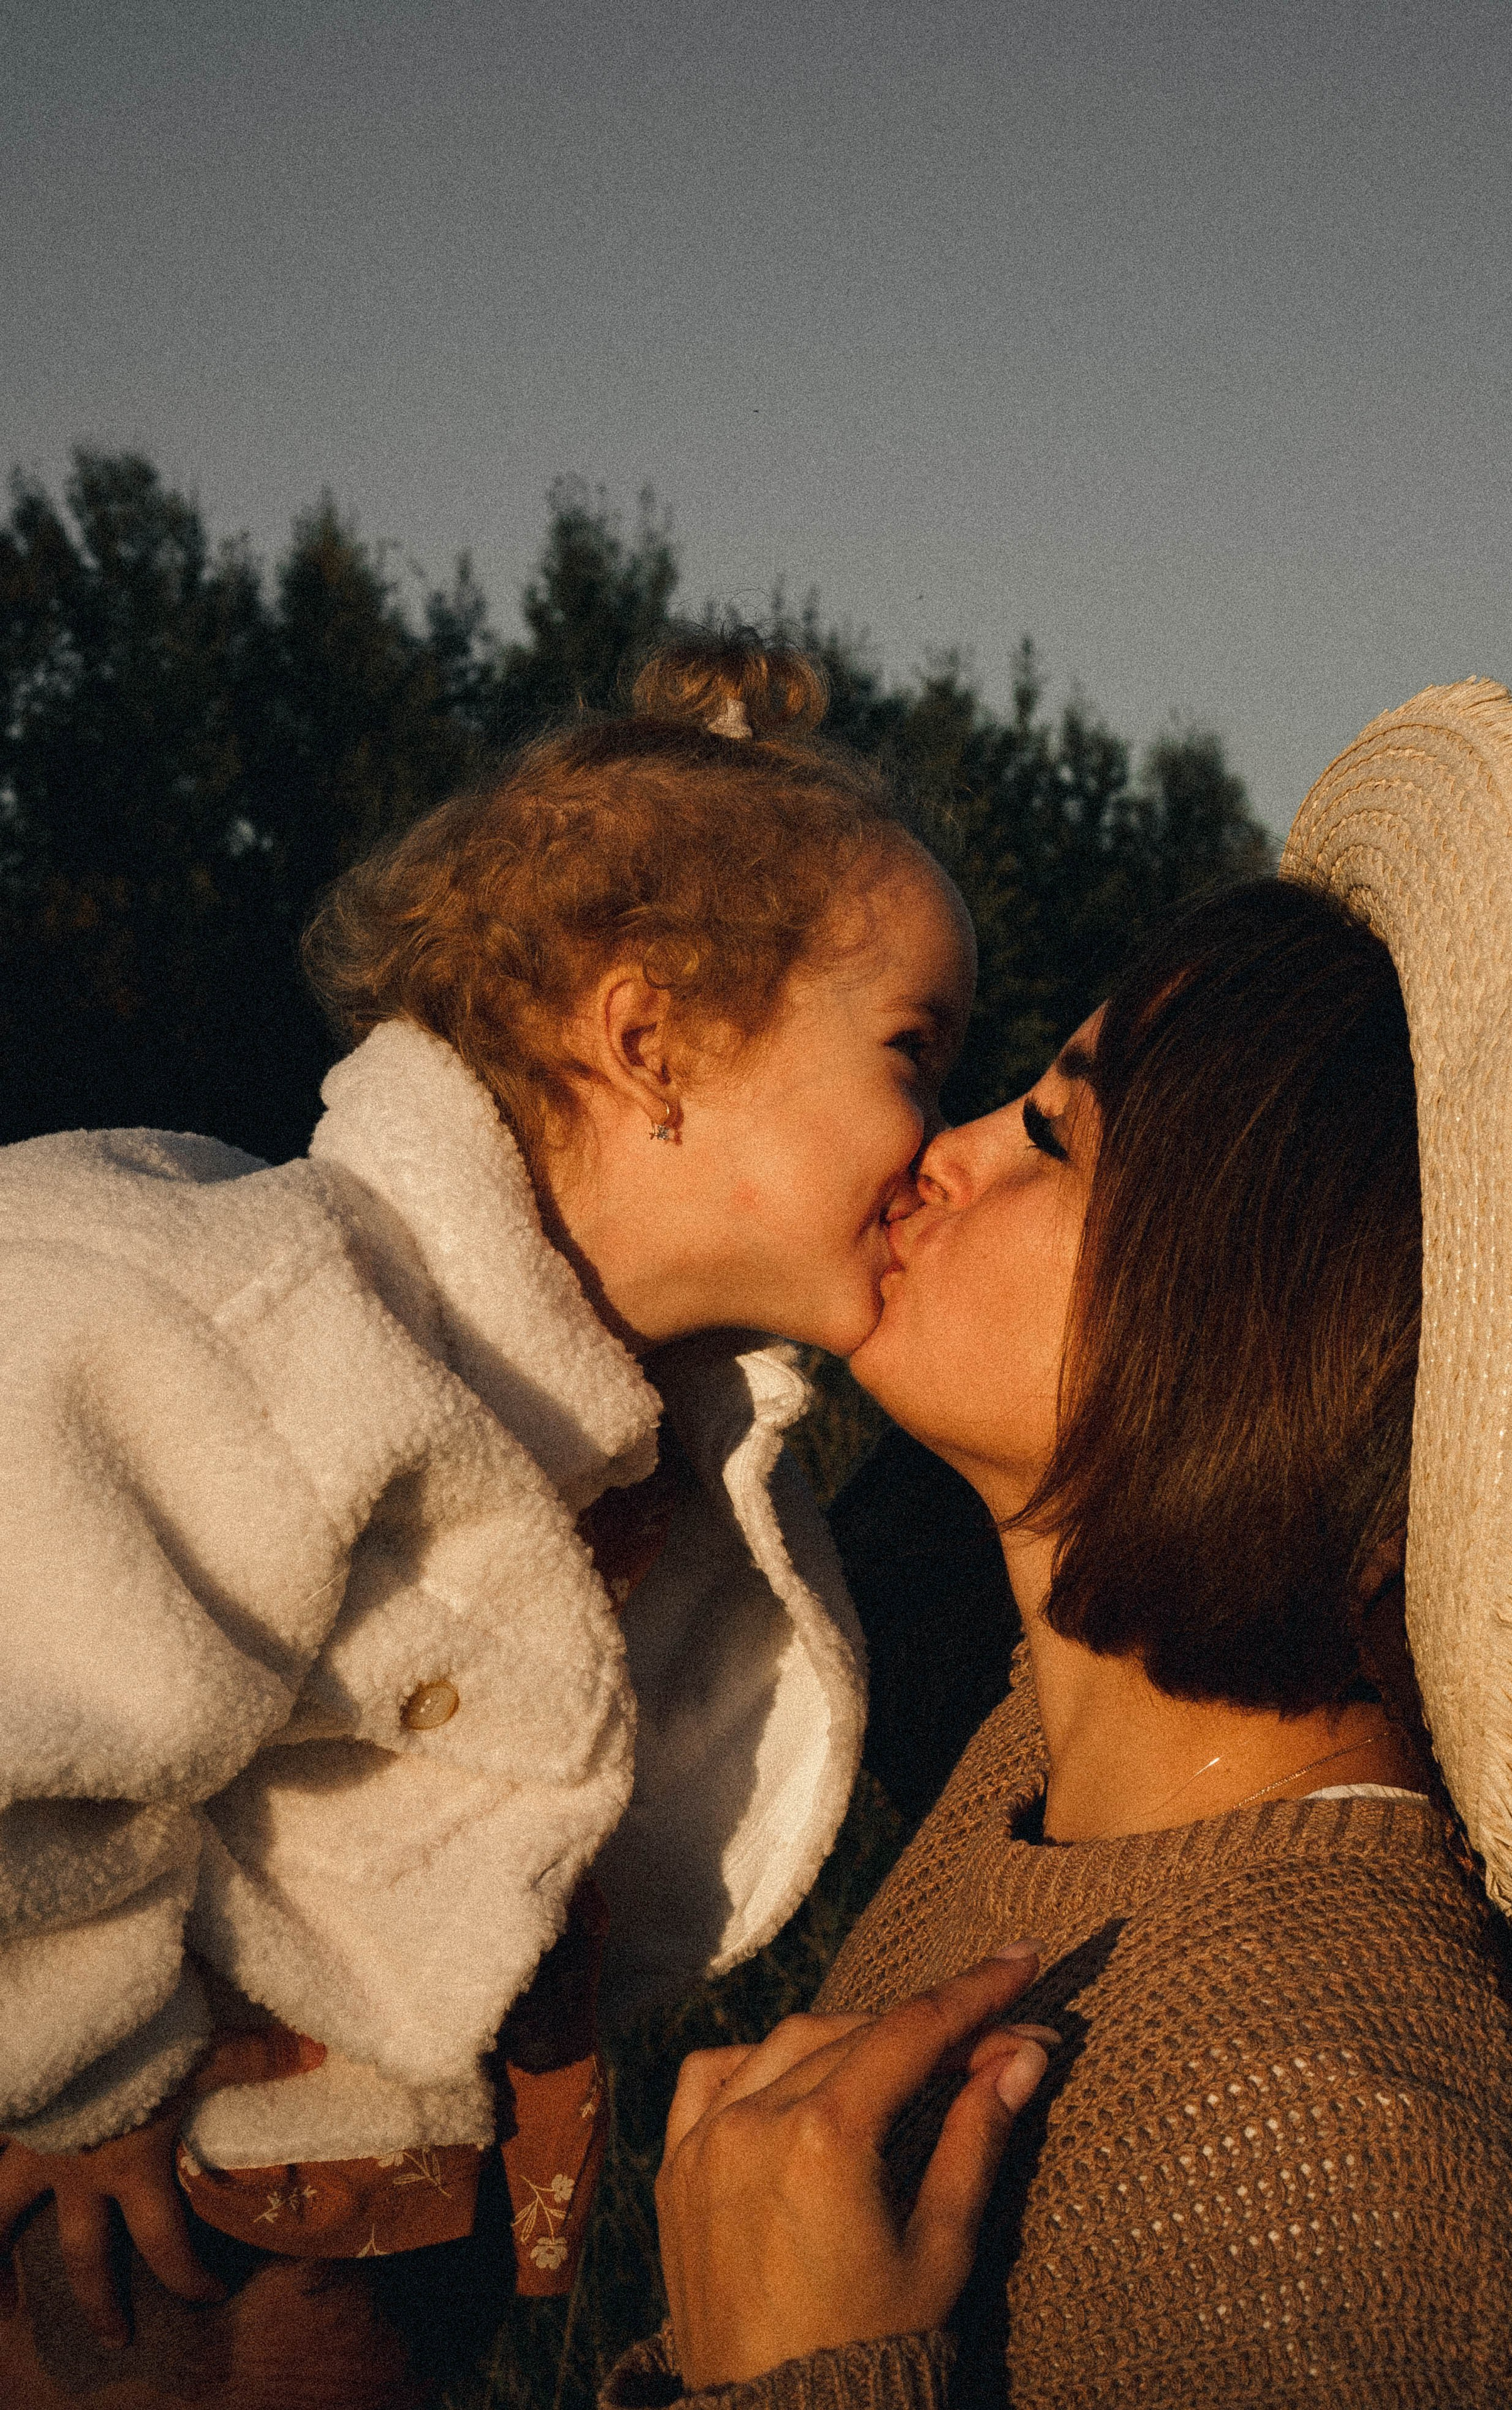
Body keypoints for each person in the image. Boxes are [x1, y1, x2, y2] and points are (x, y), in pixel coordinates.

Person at [0, 633, 977, 2405]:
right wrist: (58, 2063)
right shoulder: (278, 1328)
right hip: (129, 2252)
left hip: (372, 2261)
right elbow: (30, 1637)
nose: (942, 1137)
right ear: (650, 1040)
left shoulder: (641, 1439)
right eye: (916, 1051)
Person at [615, 680, 1512, 2407]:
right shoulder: (1049, 1762)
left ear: (1253, 1330)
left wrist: (798, 2384)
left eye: (1060, 1135)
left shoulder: (1336, 2167)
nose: (948, 1146)